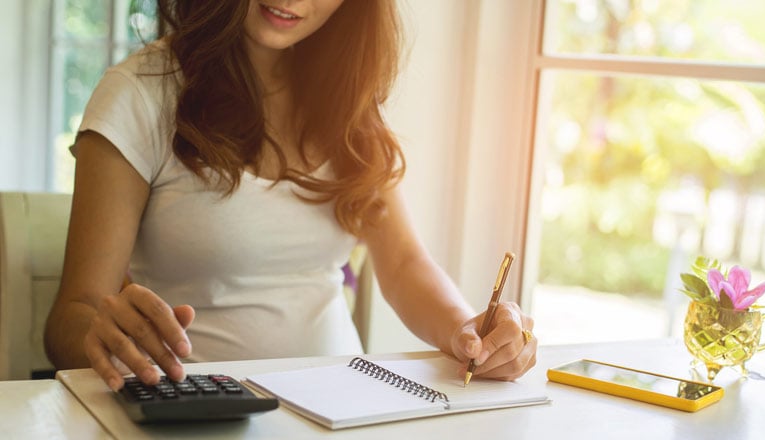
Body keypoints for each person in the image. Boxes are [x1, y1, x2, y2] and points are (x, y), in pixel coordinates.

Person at [44, 0, 537, 392]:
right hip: (200, 410)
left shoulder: (346, 99)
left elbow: (404, 264)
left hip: (342, 403)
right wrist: (100, 335)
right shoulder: (138, 94)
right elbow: (72, 314)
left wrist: (465, 333)